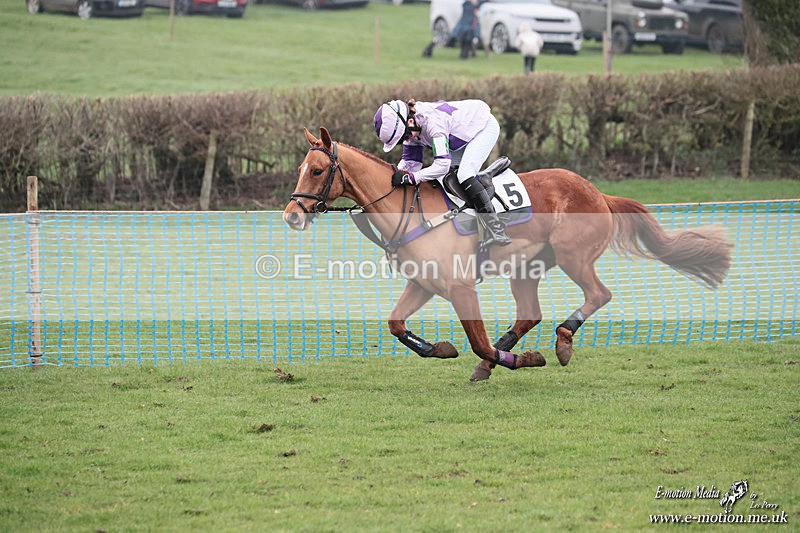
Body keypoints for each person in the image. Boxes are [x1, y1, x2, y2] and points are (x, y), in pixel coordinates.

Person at [373, 98, 512, 247]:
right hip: (458, 138)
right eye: (402, 140)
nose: (408, 140)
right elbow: (411, 165)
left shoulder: (433, 124)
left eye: (405, 136)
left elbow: (442, 165)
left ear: (410, 122)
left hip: (483, 128)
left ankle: (496, 229)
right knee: (447, 180)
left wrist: (413, 178)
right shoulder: (411, 126)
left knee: (465, 175)